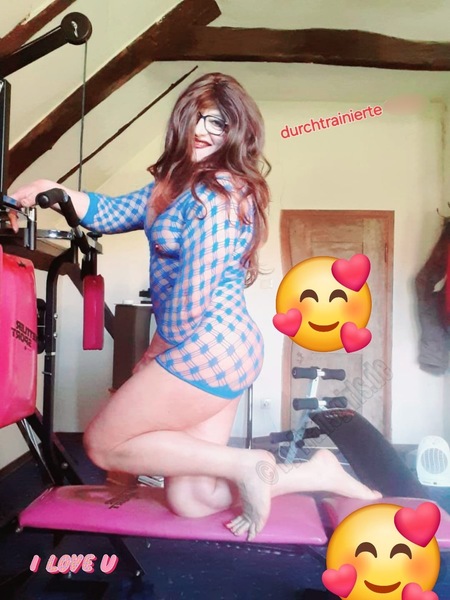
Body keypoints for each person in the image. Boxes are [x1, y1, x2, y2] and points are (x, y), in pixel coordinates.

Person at [9, 72, 380, 542]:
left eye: (219, 123)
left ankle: (248, 465)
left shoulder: (220, 196)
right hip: (216, 348)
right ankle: (314, 472)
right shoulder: (176, 186)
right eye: (197, 118)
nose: (204, 130)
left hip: (207, 344)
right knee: (193, 499)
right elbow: (110, 211)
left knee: (103, 443)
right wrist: (55, 189)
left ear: (237, 131)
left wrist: (151, 356)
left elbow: (190, 301)